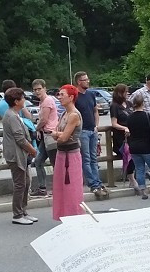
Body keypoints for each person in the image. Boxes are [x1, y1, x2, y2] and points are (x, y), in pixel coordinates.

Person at [1, 88, 38, 225]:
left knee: (26, 182)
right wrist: (33, 150)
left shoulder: (15, 114)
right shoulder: (11, 116)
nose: (24, 100)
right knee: (20, 184)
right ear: (16, 101)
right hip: (15, 155)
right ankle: (17, 214)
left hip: (20, 154)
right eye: (22, 98)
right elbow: (20, 139)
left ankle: (23, 211)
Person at [51, 84, 84, 221]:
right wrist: (59, 134)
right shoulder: (64, 113)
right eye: (59, 94)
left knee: (72, 188)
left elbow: (63, 137)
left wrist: (58, 134)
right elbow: (60, 135)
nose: (59, 97)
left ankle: (74, 216)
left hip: (71, 154)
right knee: (60, 186)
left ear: (71, 97)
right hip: (61, 153)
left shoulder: (74, 115)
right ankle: (63, 215)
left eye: (62, 95)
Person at [73, 72, 105, 196]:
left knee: (94, 158)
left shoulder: (91, 94)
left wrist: (96, 125)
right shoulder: (75, 96)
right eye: (85, 80)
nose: (87, 81)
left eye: (87, 79)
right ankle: (93, 183)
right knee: (86, 158)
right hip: (83, 131)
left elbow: (95, 110)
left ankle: (97, 181)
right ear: (79, 82)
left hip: (92, 130)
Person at [31, 79, 57, 196]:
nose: (37, 92)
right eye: (35, 90)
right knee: (38, 161)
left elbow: (44, 119)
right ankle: (42, 188)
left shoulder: (47, 101)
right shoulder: (41, 102)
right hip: (44, 135)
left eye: (39, 89)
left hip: (51, 135)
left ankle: (58, 188)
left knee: (55, 163)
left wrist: (36, 128)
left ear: (45, 89)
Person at [109, 84, 133, 187]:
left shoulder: (129, 104)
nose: (128, 93)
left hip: (132, 135)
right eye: (125, 91)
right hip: (121, 136)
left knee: (135, 154)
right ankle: (131, 179)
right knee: (128, 155)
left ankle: (133, 177)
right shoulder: (114, 106)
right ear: (120, 93)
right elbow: (114, 123)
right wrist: (124, 128)